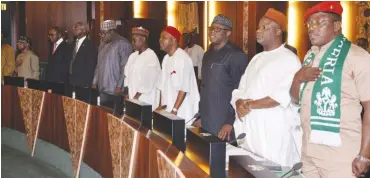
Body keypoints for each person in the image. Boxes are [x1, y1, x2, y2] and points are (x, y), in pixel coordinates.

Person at [289, 2, 370, 177]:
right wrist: (298, 78)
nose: (312, 28)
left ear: (337, 25)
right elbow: (295, 99)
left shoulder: (358, 57)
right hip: (309, 150)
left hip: (340, 155)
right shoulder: (310, 57)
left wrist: (364, 155)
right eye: (309, 24)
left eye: (320, 22)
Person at [231, 8, 301, 167]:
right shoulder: (256, 58)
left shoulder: (289, 59)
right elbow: (240, 89)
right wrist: (238, 102)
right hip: (250, 130)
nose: (258, 31)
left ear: (278, 31)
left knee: (274, 171)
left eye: (264, 27)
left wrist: (248, 105)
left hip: (273, 133)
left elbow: (282, 96)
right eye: (258, 27)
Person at [197, 14, 248, 141]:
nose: (213, 32)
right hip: (207, 117)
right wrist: (200, 115)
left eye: (218, 29)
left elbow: (240, 91)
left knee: (224, 157)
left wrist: (229, 122)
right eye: (211, 29)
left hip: (224, 121)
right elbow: (204, 88)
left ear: (228, 32)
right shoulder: (207, 54)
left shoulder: (236, 55)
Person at [157, 26, 200, 124]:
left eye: (164, 37)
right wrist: (160, 107)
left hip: (182, 110)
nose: (160, 40)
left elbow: (184, 88)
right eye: (160, 38)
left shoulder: (183, 58)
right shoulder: (166, 59)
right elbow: (161, 86)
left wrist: (175, 110)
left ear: (173, 40)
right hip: (168, 110)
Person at [92, 20, 133, 103]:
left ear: (112, 32)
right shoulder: (102, 44)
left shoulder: (123, 44)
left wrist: (119, 86)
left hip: (115, 90)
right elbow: (98, 65)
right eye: (101, 33)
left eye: (104, 33)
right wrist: (94, 81)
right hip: (102, 89)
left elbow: (125, 67)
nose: (102, 36)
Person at [124, 27, 161, 111]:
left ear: (143, 39)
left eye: (134, 40)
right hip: (132, 99)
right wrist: (126, 93)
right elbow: (126, 75)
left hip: (145, 99)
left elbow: (148, 81)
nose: (132, 43)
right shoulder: (133, 56)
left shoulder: (151, 56)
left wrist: (135, 98)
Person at [69, 22, 97, 87]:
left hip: (83, 81)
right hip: (72, 79)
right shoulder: (72, 44)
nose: (74, 29)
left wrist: (88, 82)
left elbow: (91, 65)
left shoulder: (89, 44)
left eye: (76, 27)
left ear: (83, 30)